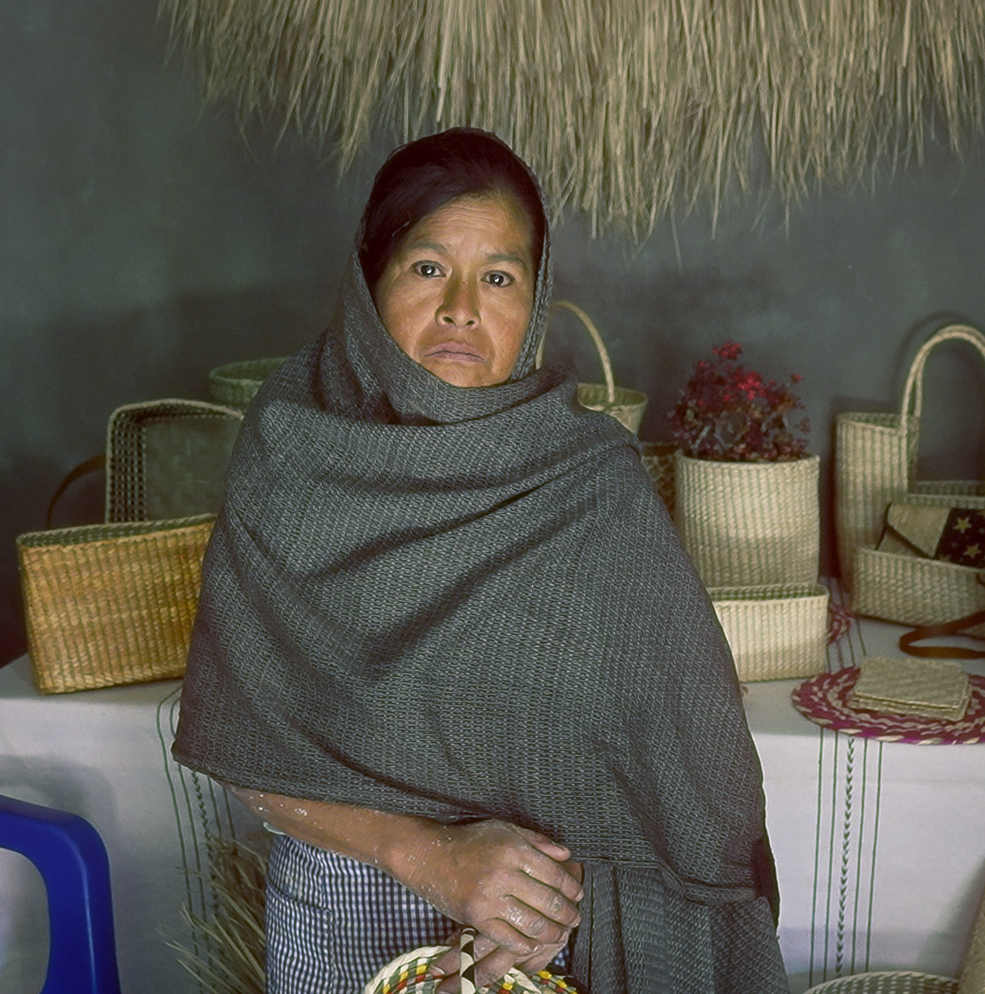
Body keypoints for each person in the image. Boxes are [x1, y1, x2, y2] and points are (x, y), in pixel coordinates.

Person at [173, 127, 790, 994]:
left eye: (498, 277)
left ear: (532, 304)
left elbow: (681, 767)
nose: (462, 307)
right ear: (367, 280)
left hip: (553, 934)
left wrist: (550, 902)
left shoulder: (590, 481)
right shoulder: (290, 456)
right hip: (343, 914)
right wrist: (427, 855)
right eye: (428, 267)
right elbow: (246, 748)